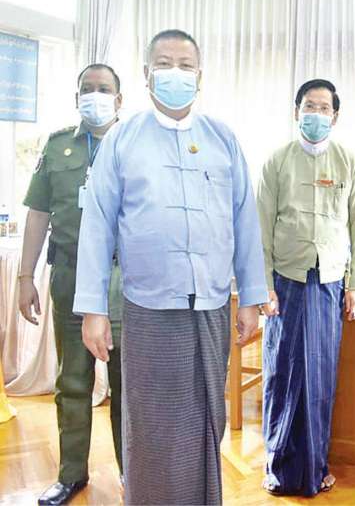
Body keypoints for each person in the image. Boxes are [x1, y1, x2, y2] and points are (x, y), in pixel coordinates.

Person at [73, 29, 267, 505]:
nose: (174, 73)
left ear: (199, 77)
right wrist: (94, 310)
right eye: (164, 64)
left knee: (206, 420)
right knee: (153, 426)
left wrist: (252, 297)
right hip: (148, 308)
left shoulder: (222, 138)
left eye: (185, 65)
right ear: (146, 74)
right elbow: (97, 227)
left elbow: (244, 220)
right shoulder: (122, 140)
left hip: (211, 306)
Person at [257, 79, 355, 496]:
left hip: (329, 282)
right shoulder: (277, 161)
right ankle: (277, 467)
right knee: (282, 373)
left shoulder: (349, 162)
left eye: (324, 108)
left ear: (335, 116)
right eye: (309, 106)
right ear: (296, 112)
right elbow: (260, 227)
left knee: (320, 378)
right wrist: (263, 285)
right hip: (285, 283)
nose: (316, 114)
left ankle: (315, 468)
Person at [18, 64, 125, 506]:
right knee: (73, 382)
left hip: (125, 282)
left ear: (119, 100)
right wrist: (25, 276)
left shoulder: (135, 145)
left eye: (104, 89)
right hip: (70, 277)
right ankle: (71, 475)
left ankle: (132, 472)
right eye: (87, 89)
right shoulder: (58, 145)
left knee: (127, 385)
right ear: (76, 96)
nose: (94, 95)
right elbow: (38, 214)